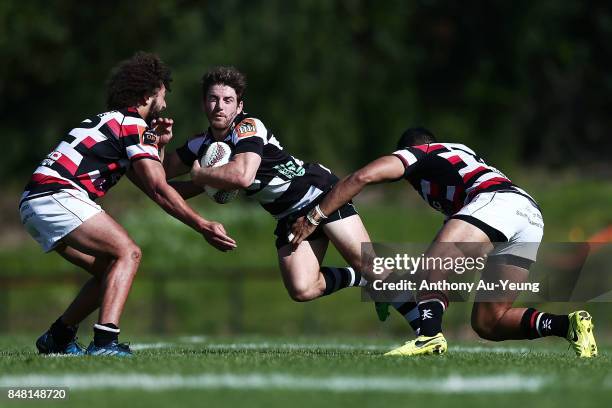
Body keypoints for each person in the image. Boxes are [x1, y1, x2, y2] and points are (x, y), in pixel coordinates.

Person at [290, 127, 598, 358]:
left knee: (431, 268)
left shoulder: (421, 153)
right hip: (527, 215)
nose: (410, 183)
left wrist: (315, 215)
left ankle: (429, 337)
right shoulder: (455, 164)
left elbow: (361, 177)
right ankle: (568, 326)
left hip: (497, 202)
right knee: (490, 322)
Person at [162, 66, 420, 333]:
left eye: (228, 100)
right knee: (302, 288)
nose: (219, 106)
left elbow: (242, 176)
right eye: (213, 99)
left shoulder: (248, 127)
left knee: (369, 264)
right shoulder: (200, 145)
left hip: (319, 194)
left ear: (240, 106)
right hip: (288, 215)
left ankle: (427, 330)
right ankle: (362, 281)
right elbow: (160, 176)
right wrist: (160, 143)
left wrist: (201, 174)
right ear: (204, 103)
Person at [19, 52, 236, 357]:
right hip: (56, 196)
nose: (165, 102)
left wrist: (198, 178)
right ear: (149, 92)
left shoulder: (118, 125)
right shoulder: (132, 125)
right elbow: (160, 191)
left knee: (110, 268)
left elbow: (157, 188)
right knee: (128, 252)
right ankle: (106, 343)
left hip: (36, 203)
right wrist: (203, 225)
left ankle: (58, 337)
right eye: (163, 93)